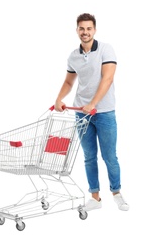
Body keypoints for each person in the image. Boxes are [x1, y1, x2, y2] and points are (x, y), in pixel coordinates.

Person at [54, 13, 129, 211]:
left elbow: (108, 79)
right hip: (81, 112)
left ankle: (117, 192)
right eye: (81, 29)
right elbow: (69, 81)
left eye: (88, 28)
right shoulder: (73, 56)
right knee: (89, 156)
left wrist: (93, 103)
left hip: (104, 112)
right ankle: (95, 197)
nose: (85, 32)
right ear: (77, 30)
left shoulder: (106, 49)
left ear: (94, 30)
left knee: (109, 156)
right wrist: (58, 99)